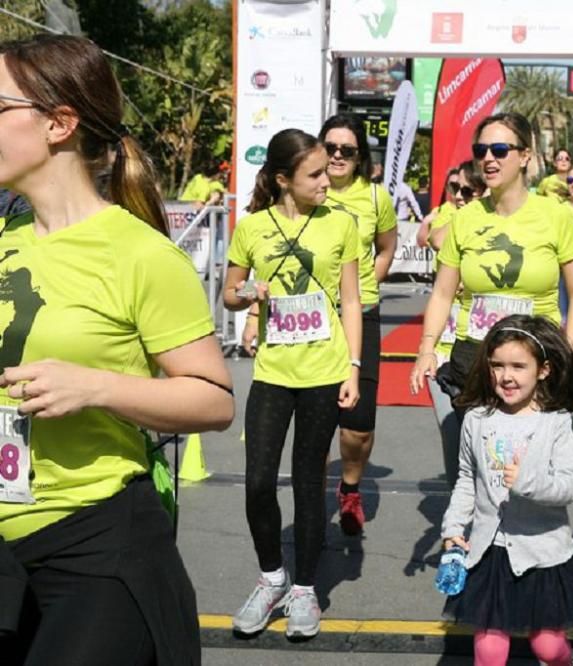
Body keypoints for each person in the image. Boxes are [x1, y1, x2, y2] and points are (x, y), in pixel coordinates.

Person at [0, 34, 234, 664]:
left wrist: (94, 387)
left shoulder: (140, 254)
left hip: (92, 542)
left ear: (59, 123)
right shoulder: (4, 233)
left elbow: (213, 398)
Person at [224, 128, 362, 639]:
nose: (328, 179)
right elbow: (229, 295)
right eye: (316, 173)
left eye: (329, 169)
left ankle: (304, 588)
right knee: (258, 481)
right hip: (273, 372)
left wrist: (352, 368)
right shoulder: (251, 228)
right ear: (284, 180)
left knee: (308, 483)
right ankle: (272, 577)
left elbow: (350, 299)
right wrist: (246, 296)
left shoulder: (341, 224)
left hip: (324, 370)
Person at [408, 113, 573, 428]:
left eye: (500, 150)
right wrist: (426, 349)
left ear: (524, 156)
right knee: (471, 469)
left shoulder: (554, 215)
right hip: (474, 360)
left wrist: (567, 353)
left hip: (536, 362)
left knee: (529, 471)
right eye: (481, 150)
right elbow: (442, 293)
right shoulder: (463, 219)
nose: (488, 158)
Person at [441, 315, 573, 666]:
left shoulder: (556, 422)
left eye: (518, 366)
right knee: (490, 650)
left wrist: (528, 483)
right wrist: (452, 528)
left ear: (543, 370)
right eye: (497, 365)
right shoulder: (476, 419)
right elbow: (467, 479)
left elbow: (568, 487)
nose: (506, 376)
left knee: (548, 647)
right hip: (489, 552)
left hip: (542, 552)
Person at [318, 113, 398, 535]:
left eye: (346, 150)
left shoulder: (374, 198)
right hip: (315, 316)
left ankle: (350, 485)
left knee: (359, 426)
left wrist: (367, 280)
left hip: (362, 314)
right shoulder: (306, 190)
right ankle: (312, 495)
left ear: (360, 156)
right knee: (315, 415)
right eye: (330, 148)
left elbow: (387, 246)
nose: (337, 156)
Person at [423, 160, 487, 488]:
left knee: (487, 445)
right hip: (445, 347)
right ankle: (460, 517)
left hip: (482, 347)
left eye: (467, 190)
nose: (459, 196)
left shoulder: (500, 222)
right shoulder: (454, 217)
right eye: (455, 189)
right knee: (453, 436)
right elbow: (433, 239)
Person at [417, 168, 460, 248]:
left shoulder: (472, 209)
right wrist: (425, 223)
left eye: (458, 185)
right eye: (452, 185)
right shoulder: (439, 211)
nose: (456, 189)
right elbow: (421, 243)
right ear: (446, 187)